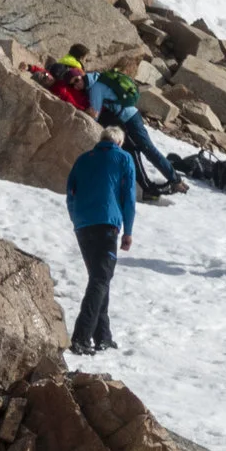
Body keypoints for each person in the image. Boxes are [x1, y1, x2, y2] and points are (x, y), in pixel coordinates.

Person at [63, 124, 137, 354]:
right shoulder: (124, 158)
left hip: (83, 225)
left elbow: (70, 193)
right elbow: (129, 197)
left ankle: (103, 336)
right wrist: (128, 231)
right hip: (107, 224)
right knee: (100, 279)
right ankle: (81, 337)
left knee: (99, 278)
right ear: (119, 143)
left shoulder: (83, 159)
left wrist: (76, 219)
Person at [83, 50, 188, 197]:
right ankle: (160, 183)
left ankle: (175, 180)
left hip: (127, 119)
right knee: (140, 150)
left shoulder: (96, 87)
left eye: (77, 82)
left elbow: (95, 113)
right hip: (133, 115)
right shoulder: (104, 78)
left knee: (147, 149)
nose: (77, 85)